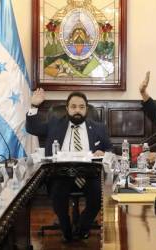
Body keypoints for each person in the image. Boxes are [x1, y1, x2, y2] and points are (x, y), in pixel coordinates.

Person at [26, 89, 112, 242]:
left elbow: (110, 149)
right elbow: (32, 128)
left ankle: (82, 227)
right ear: (67, 109)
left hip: (89, 174)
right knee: (58, 193)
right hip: (61, 174)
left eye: (81, 107)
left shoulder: (98, 128)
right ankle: (66, 228)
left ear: (87, 109)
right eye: (73, 107)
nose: (77, 110)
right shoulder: (55, 124)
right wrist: (33, 105)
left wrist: (102, 152)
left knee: (98, 195)